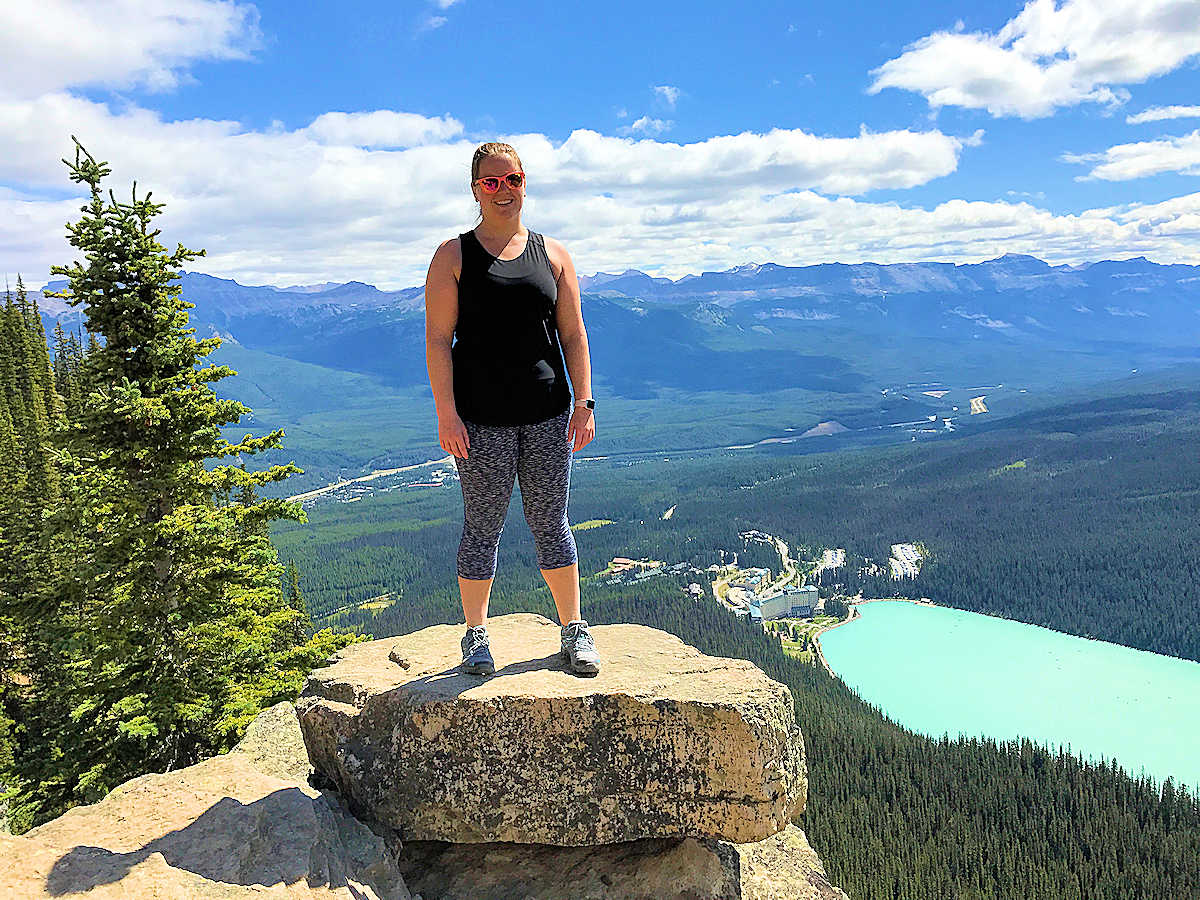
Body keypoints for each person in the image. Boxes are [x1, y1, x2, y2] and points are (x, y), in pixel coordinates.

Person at [424, 142, 601, 677]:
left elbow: (573, 334)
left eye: (513, 180)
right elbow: (438, 340)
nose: (504, 190)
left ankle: (573, 629)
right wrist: (447, 414)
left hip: (548, 412)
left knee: (551, 521)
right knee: (482, 526)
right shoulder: (453, 256)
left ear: (526, 183)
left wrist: (584, 402)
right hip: (479, 419)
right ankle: (476, 635)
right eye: (492, 181)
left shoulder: (554, 255)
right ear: (475, 189)